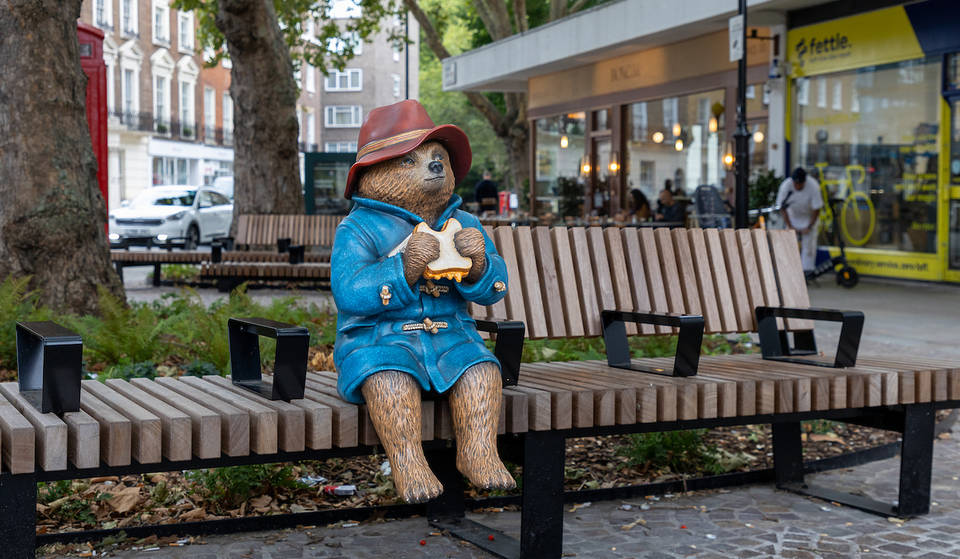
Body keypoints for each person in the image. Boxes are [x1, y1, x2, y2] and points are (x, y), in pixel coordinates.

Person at [776, 167, 823, 272]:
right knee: (789, 245)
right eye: (795, 183)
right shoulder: (786, 186)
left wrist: (809, 226)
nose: (797, 186)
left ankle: (807, 272)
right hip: (792, 216)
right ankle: (789, 271)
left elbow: (817, 208)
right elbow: (782, 208)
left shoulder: (813, 186)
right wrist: (790, 225)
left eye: (800, 184)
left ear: (805, 181)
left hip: (808, 217)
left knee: (808, 247)